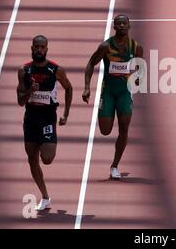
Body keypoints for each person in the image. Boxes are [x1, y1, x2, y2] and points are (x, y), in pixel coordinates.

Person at [82, 15, 143, 179]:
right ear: (114, 26)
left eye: (125, 23)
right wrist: (87, 87)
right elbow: (90, 64)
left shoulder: (136, 47)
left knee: (124, 128)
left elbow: (140, 66)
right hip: (108, 92)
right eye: (119, 24)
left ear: (129, 26)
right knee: (105, 130)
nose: (122, 26)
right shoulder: (105, 47)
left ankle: (114, 165)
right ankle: (106, 112)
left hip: (125, 93)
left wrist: (137, 77)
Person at [17, 35, 72, 211]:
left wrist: (66, 114)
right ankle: (45, 197)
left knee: (47, 159)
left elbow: (69, 87)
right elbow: (20, 100)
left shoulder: (55, 70)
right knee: (32, 160)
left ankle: (46, 141)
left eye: (42, 47)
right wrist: (30, 91)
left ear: (46, 49)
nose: (39, 50)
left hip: (48, 117)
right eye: (36, 47)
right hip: (31, 118)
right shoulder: (24, 71)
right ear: (31, 48)